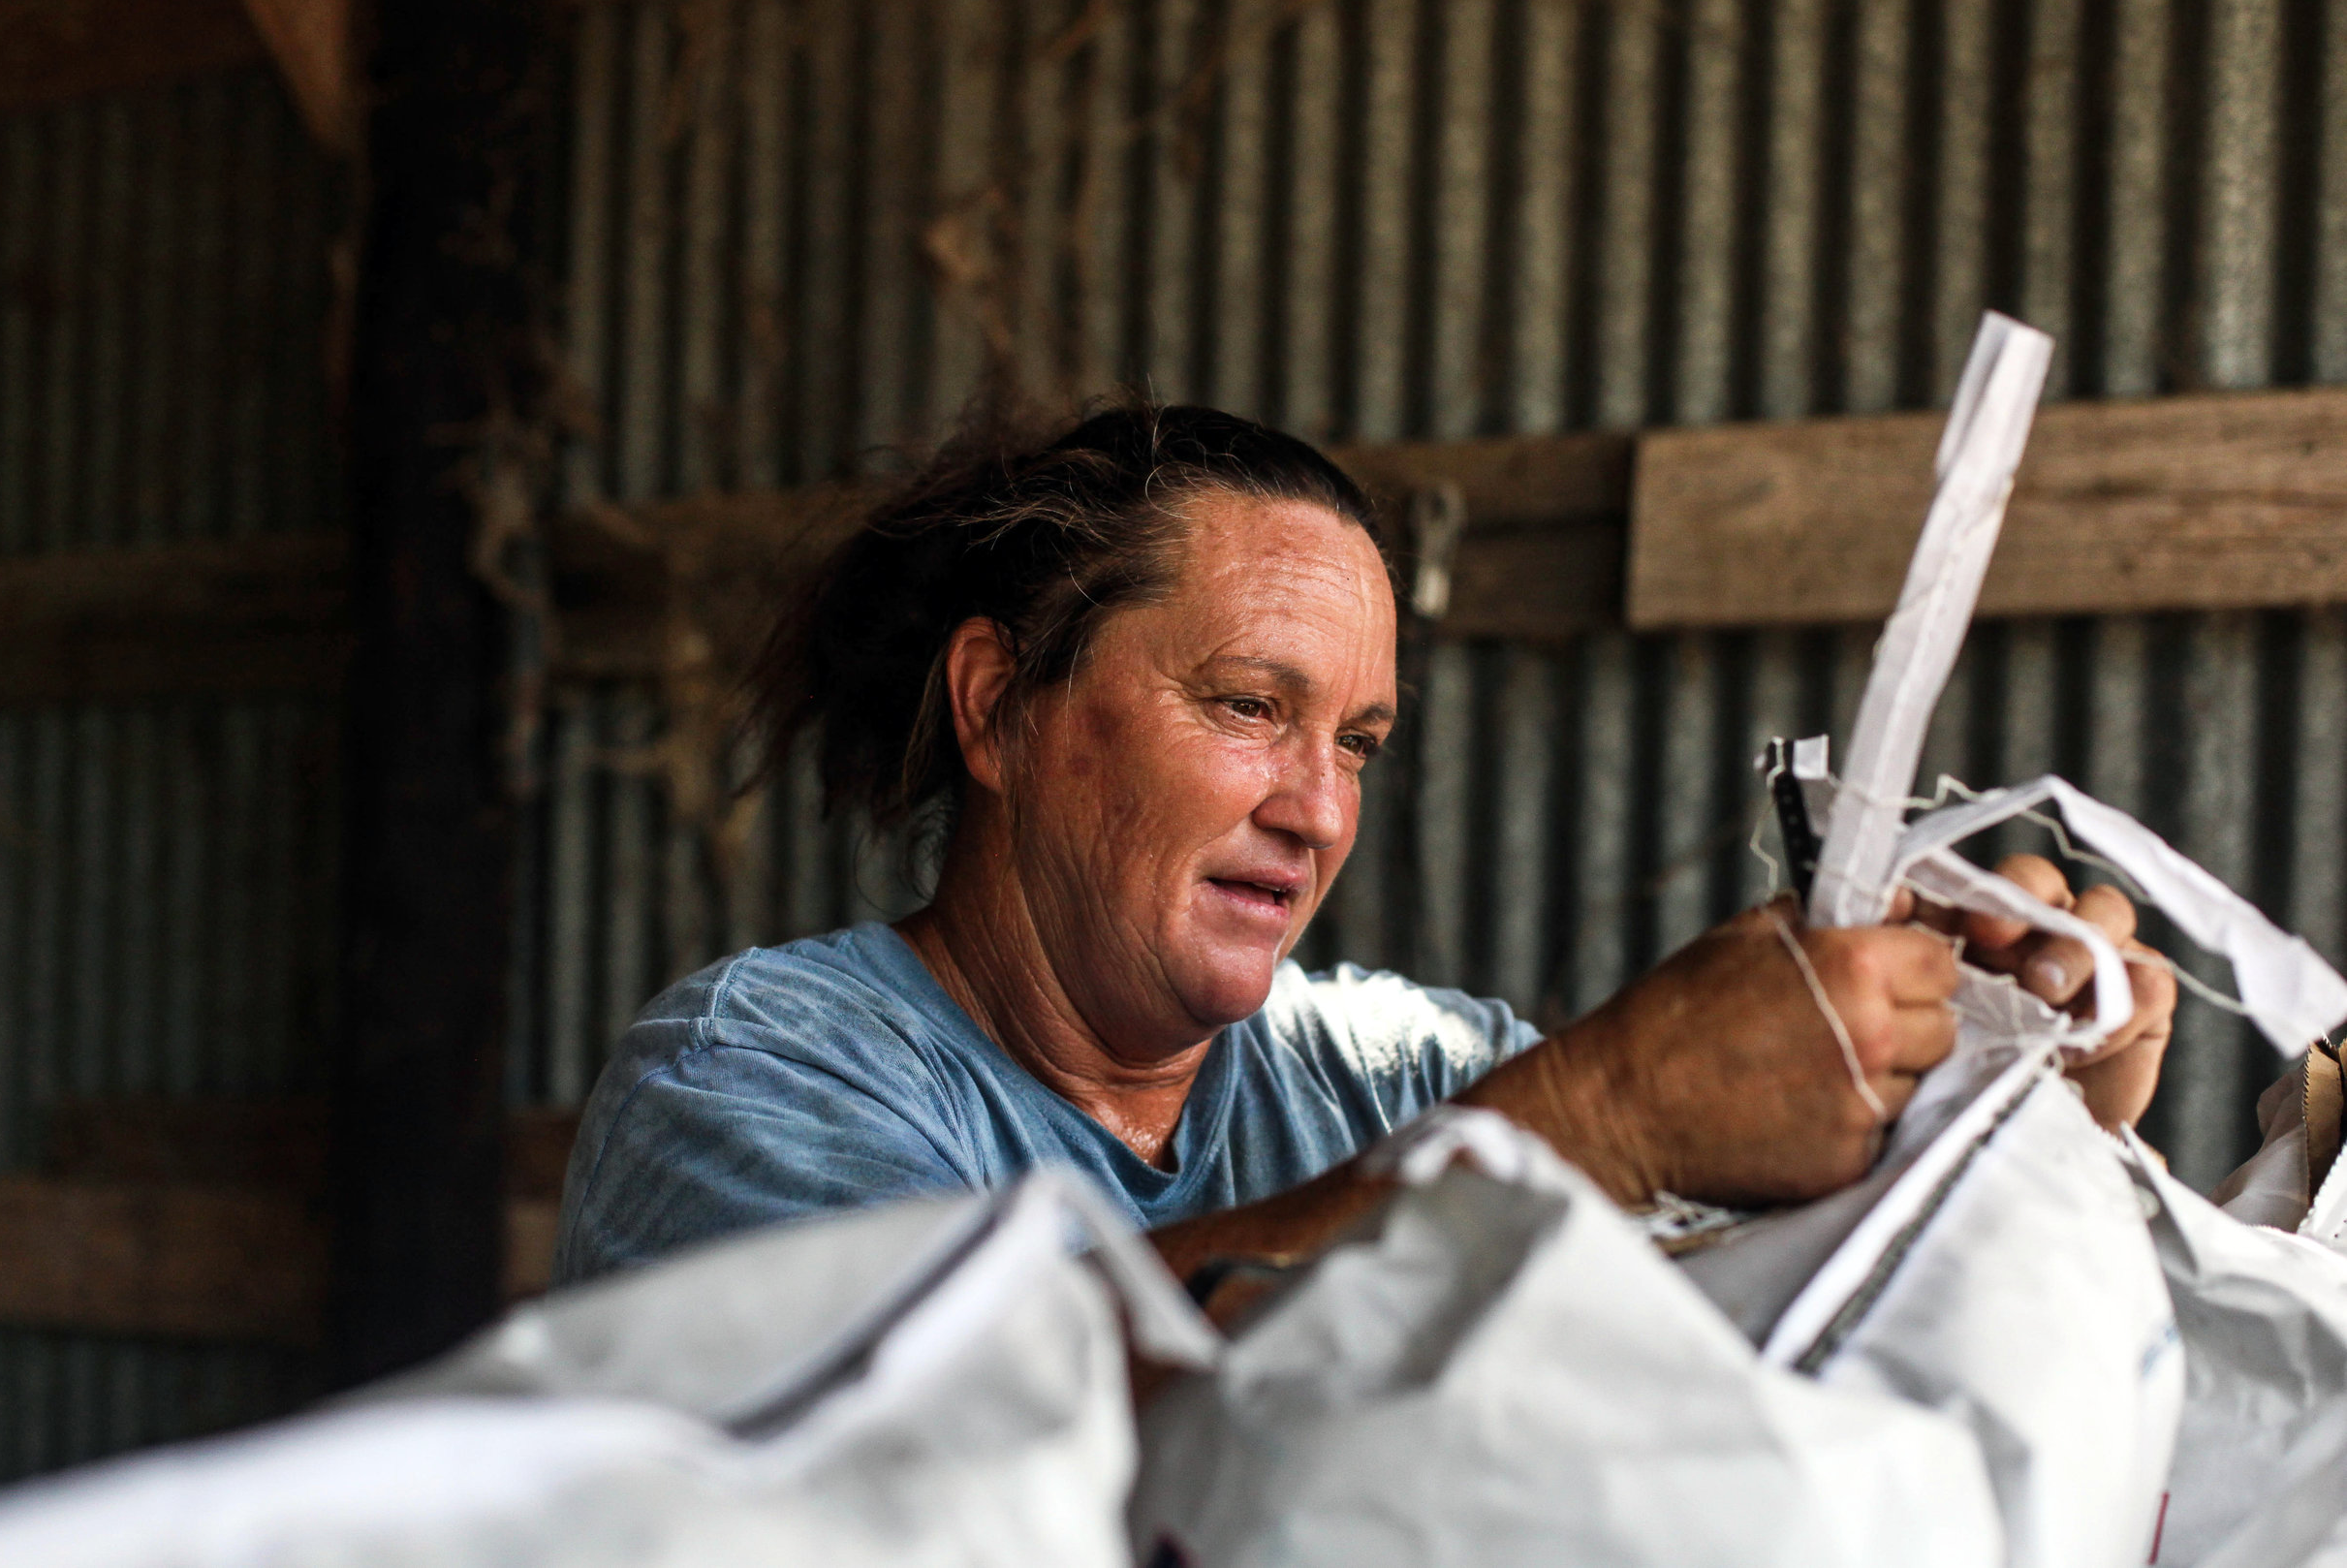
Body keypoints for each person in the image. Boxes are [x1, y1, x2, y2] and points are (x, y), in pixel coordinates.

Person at [551, 402, 2175, 1290]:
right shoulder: (755, 1077)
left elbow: (1770, 1307)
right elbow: (919, 1457)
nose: (1319, 810)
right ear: (996, 707)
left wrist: (2008, 1121)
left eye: (1359, 744)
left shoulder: (1398, 1076)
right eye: (1251, 706)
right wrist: (1598, 1114)